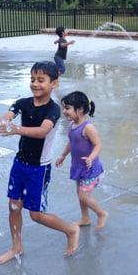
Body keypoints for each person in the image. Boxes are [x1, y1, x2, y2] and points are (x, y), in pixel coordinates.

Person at [0, 61, 79, 264]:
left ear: (54, 84)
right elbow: (6, 116)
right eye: (32, 79)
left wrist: (16, 130)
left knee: (36, 215)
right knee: (13, 206)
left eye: (41, 80)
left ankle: (71, 230)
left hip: (38, 169)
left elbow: (42, 132)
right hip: (20, 164)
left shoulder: (53, 110)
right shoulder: (23, 102)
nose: (35, 84)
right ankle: (16, 247)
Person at [55, 91, 108, 231]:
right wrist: (63, 155)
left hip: (90, 169)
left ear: (79, 110)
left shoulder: (88, 128)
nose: (64, 111)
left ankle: (102, 213)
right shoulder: (72, 125)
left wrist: (91, 157)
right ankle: (85, 218)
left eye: (67, 108)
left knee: (83, 196)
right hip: (79, 167)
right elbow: (71, 142)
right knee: (80, 194)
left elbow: (98, 145)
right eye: (64, 108)